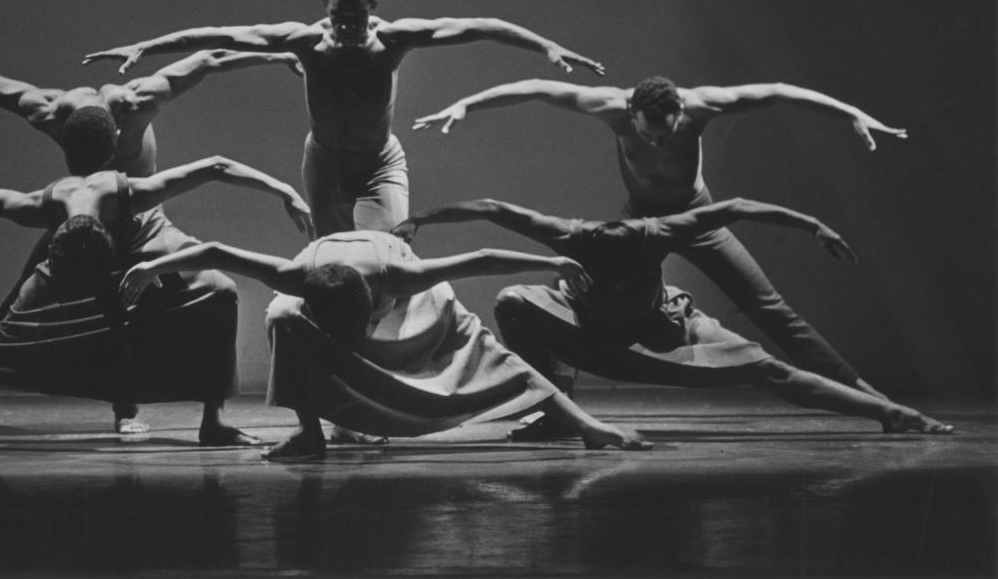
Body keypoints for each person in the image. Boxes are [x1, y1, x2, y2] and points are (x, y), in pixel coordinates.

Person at [0, 48, 300, 433]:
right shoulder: (51, 111)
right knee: (16, 312)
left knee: (216, 291)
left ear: (117, 136)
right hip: (82, 223)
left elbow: (210, 59)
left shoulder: (138, 103)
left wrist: (277, 55)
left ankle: (186, 417)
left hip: (142, 222)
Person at [413, 75, 908, 399]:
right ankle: (555, 390)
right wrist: (465, 104)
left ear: (680, 115)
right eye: (647, 134)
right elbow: (538, 87)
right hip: (640, 226)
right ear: (631, 113)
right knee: (592, 302)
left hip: (696, 218)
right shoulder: (609, 108)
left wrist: (850, 112)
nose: (656, 142)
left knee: (769, 308)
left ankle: (862, 392)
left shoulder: (701, 106)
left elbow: (779, 91)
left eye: (666, 135)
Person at [82, 0, 605, 237]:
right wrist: (147, 45)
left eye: (356, 15)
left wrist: (546, 46)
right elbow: (222, 35)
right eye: (338, 15)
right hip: (325, 160)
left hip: (379, 160)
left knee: (386, 247)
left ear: (373, 5)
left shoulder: (395, 39)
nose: (347, 25)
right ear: (326, 6)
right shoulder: (307, 41)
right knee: (329, 260)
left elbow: (478, 26)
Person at [0, 154, 314, 449]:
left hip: (144, 251)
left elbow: (215, 166)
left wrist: (285, 190)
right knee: (7, 334)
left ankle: (214, 423)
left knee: (222, 292)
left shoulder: (135, 200)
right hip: (76, 258)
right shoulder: (43, 211)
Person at [392, 197, 953, 438]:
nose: (610, 278)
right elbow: (493, 209)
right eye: (597, 274)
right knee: (514, 300)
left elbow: (736, 208)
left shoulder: (659, 233)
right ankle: (556, 408)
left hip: (665, 334)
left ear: (646, 258)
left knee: (770, 371)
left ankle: (892, 413)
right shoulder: (569, 236)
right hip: (593, 333)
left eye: (622, 275)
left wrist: (812, 224)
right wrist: (421, 219)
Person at [118, 229, 652, 460]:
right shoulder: (295, 279)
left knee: (482, 348)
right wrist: (152, 266)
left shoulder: (402, 275)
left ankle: (587, 427)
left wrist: (551, 262)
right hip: (331, 288)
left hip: (412, 306)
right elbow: (214, 250)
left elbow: (484, 258)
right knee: (279, 316)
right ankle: (311, 436)